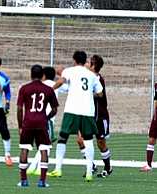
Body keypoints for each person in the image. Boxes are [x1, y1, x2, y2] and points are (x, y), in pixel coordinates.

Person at [48, 51, 103, 182]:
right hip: (88, 111)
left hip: (72, 109)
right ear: (85, 61)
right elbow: (100, 94)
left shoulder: (69, 71)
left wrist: (49, 90)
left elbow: (61, 81)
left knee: (63, 137)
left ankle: (58, 169)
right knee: (88, 139)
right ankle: (89, 172)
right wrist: (90, 93)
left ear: (74, 60)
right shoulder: (92, 75)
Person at [16, 65, 58, 187]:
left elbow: (19, 108)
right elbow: (55, 109)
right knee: (44, 149)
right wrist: (46, 117)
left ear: (31, 74)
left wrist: (20, 125)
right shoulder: (48, 89)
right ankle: (42, 181)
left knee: (24, 149)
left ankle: (23, 180)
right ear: (42, 76)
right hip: (41, 122)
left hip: (27, 122)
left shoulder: (24, 88)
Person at [75, 55, 113, 177]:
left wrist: (87, 93)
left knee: (100, 142)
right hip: (87, 114)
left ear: (93, 65)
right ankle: (91, 166)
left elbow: (100, 94)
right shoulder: (85, 76)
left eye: (89, 62)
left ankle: (108, 167)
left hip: (100, 116)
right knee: (80, 140)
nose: (86, 64)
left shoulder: (98, 79)